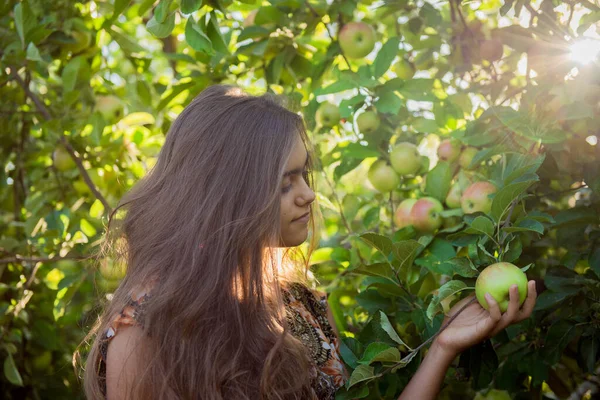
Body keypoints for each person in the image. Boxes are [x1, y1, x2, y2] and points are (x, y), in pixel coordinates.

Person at [80, 85, 537, 400]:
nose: (309, 194)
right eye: (284, 183)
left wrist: (442, 348)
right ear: (227, 195)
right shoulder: (147, 334)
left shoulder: (298, 302)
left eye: (304, 174)